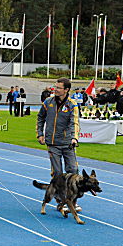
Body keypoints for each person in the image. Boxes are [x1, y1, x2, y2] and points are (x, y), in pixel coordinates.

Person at [36, 77, 81, 211]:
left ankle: (73, 201)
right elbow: (40, 117)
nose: (55, 89)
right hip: (52, 143)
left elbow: (75, 122)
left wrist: (74, 138)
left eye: (58, 88)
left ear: (66, 90)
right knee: (57, 173)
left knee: (73, 171)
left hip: (68, 144)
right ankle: (61, 200)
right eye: (55, 87)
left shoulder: (72, 104)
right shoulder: (48, 102)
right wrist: (40, 133)